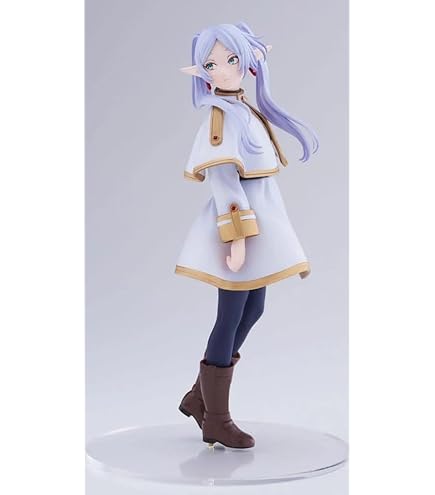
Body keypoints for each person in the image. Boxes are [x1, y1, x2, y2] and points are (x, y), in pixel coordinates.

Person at [175, 22, 318, 449]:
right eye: (212, 64)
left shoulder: (243, 109)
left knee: (253, 308)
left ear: (249, 61)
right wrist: (236, 238)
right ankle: (216, 419)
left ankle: (198, 397)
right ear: (202, 73)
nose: (223, 69)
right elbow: (223, 180)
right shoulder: (220, 118)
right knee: (231, 314)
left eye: (232, 59)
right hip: (239, 224)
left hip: (260, 219)